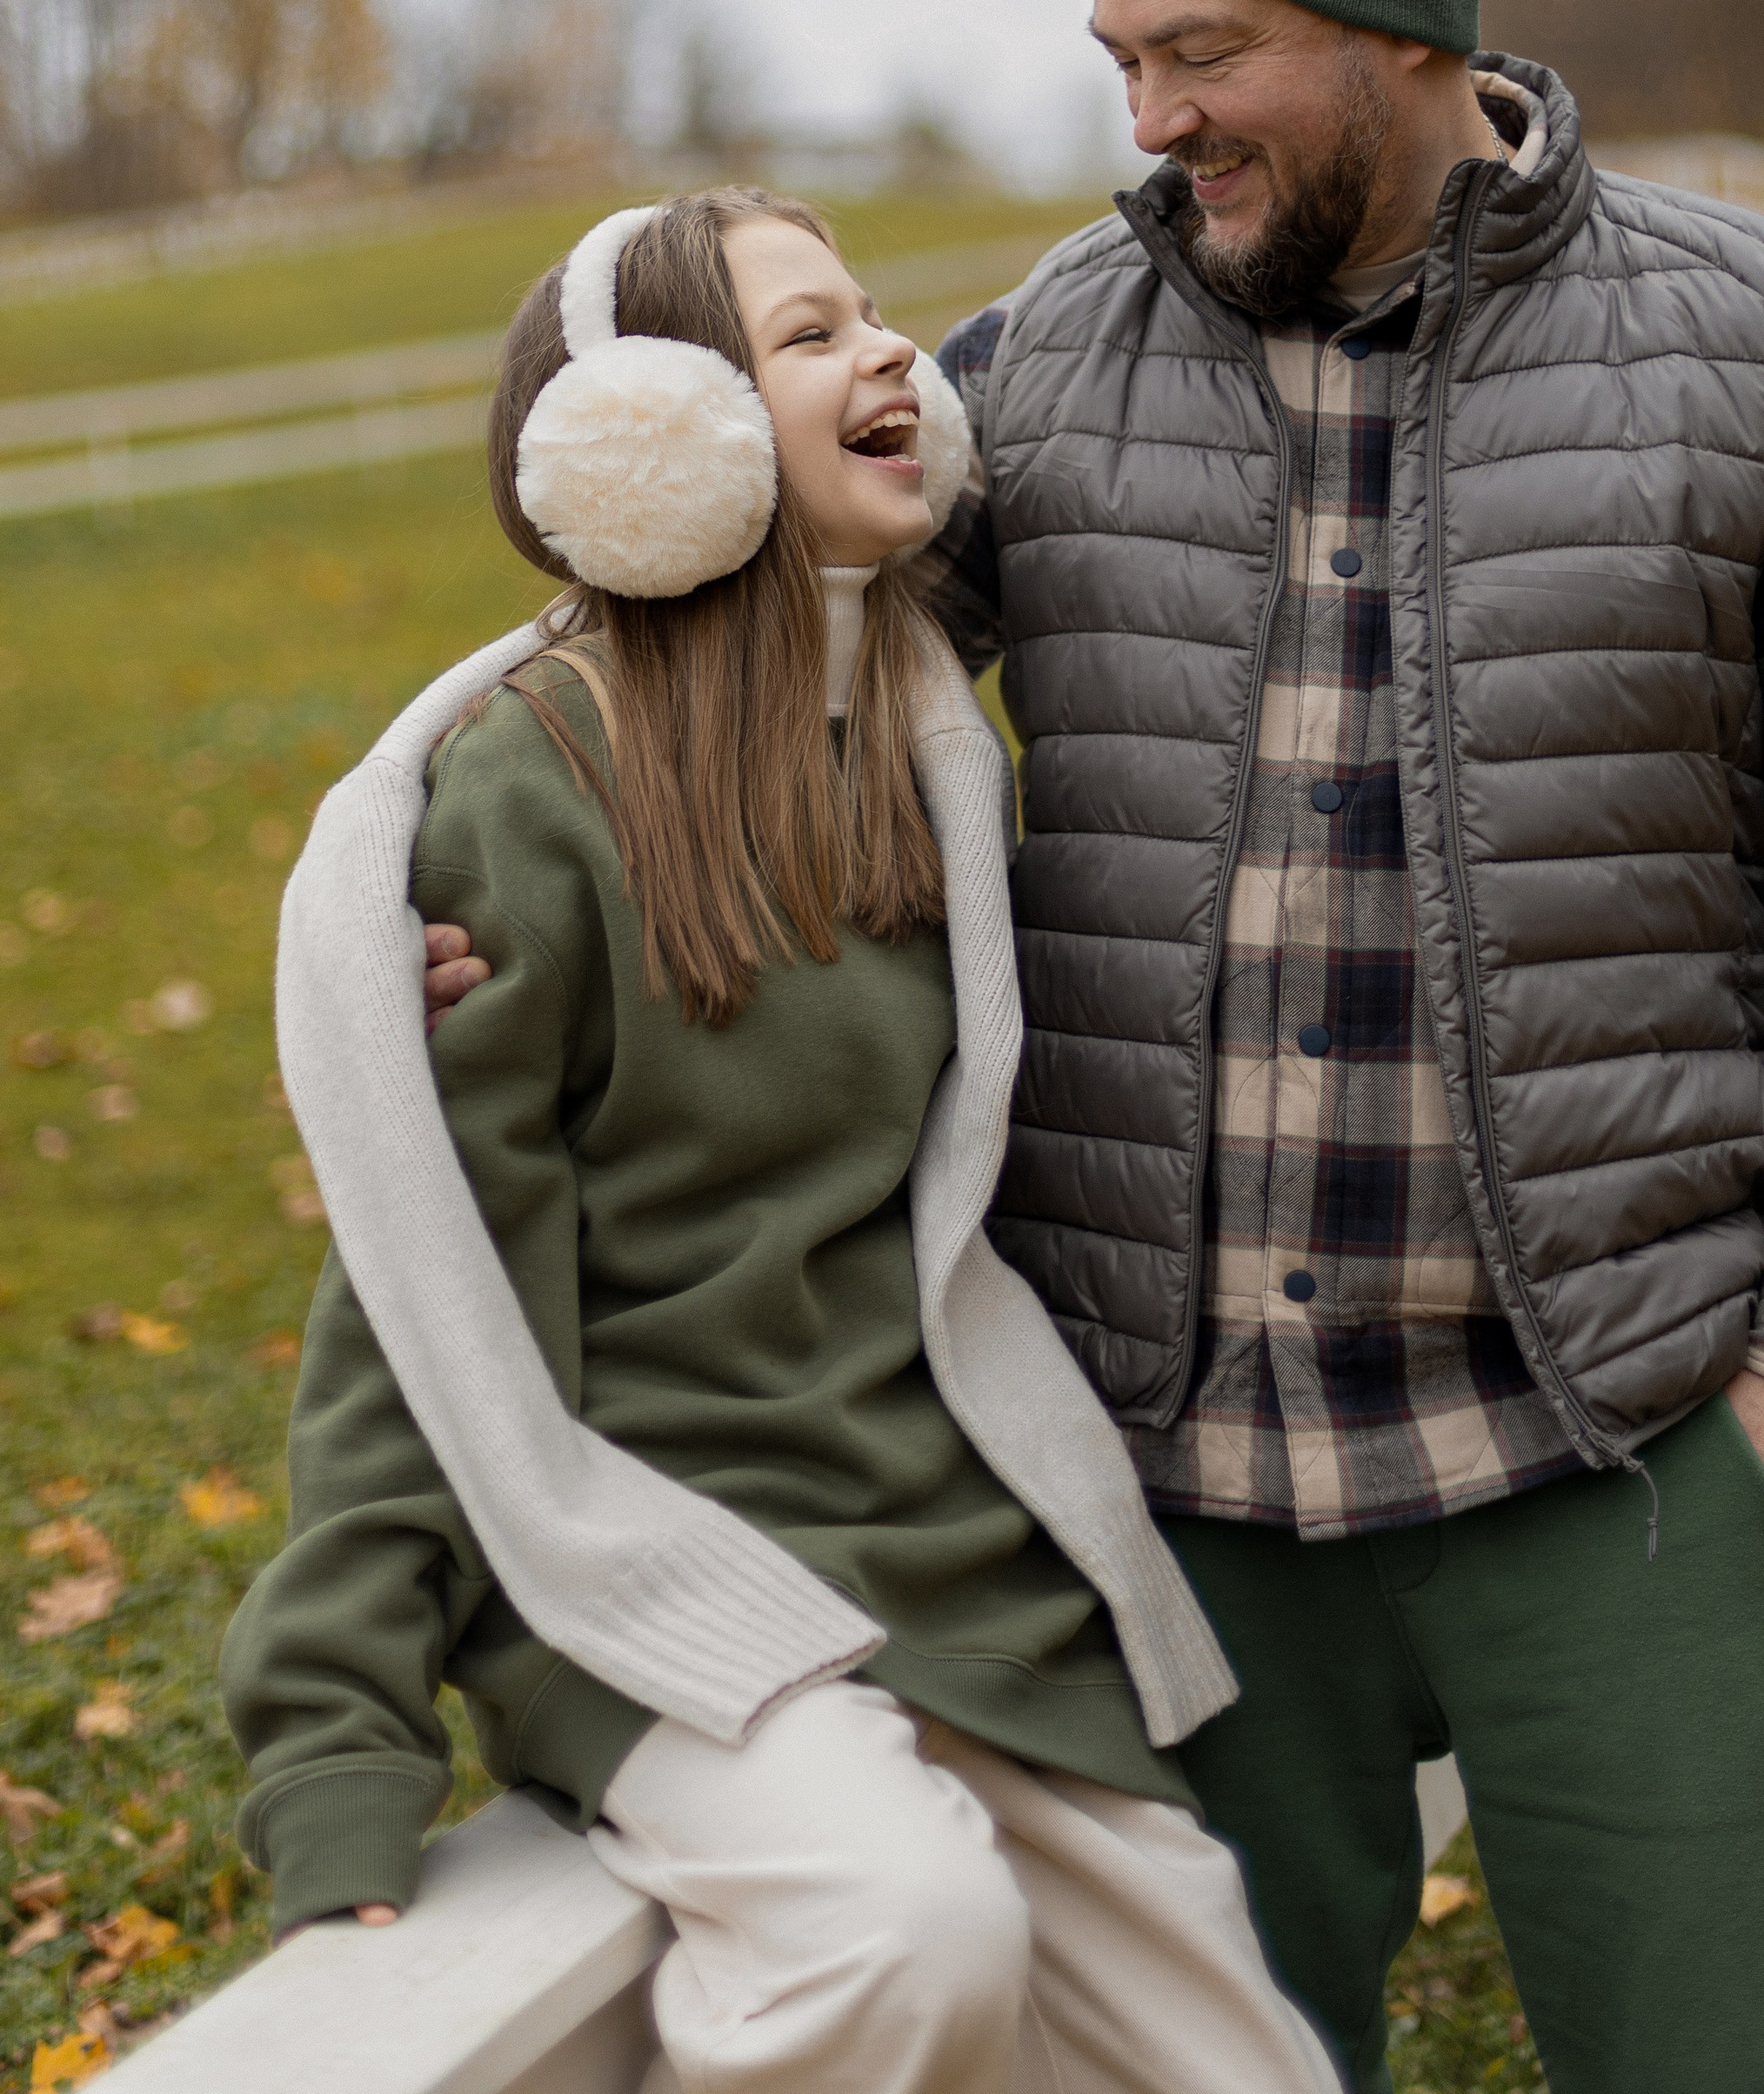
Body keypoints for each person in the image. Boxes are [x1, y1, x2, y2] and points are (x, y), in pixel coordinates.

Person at [408, 0, 1764, 2092]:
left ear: (1396, 22)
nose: (1148, 118)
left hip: (1636, 1443)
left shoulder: (1748, 347)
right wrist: (479, 884)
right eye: (1115, 55)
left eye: (1201, 49)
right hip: (1170, 1489)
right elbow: (754, 682)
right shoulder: (1034, 370)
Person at [231, 186, 1340, 2094]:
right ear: (655, 437)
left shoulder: (917, 752)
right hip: (642, 1564)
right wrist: (334, 1754)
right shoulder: (527, 792)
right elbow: (420, 1293)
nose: (891, 352)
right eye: (808, 335)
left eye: (871, 315)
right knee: (909, 1933)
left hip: (941, 1552)